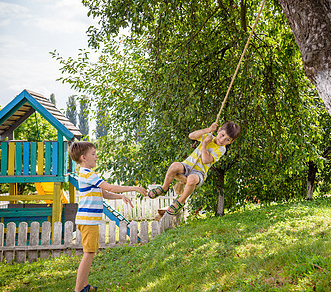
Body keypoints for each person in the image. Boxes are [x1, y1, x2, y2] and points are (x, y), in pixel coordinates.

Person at [69, 141, 147, 292]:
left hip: (88, 220)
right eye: (93, 154)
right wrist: (134, 188)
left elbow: (104, 193)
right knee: (89, 253)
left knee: (90, 252)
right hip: (88, 220)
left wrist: (120, 197)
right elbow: (109, 187)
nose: (96, 156)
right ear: (84, 157)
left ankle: (84, 286)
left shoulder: (87, 175)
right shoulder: (88, 174)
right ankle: (78, 290)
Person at [148, 121, 241, 215]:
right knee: (174, 166)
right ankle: (164, 187)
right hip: (187, 165)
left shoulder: (221, 149)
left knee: (192, 179)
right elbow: (191, 136)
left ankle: (180, 201)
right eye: (222, 135)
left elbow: (205, 160)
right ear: (219, 130)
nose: (222, 140)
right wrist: (208, 130)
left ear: (231, 142)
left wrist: (204, 144)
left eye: (227, 140)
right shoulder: (209, 136)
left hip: (199, 172)